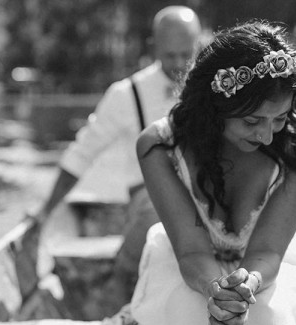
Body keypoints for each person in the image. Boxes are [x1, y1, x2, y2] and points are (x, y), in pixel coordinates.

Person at [116, 20, 296, 325]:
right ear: (215, 107)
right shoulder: (158, 147)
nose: (266, 135)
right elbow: (191, 251)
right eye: (252, 120)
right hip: (184, 261)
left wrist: (246, 286)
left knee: (268, 322)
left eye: (279, 118)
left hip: (272, 263)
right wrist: (215, 291)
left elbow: (269, 250)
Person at [30, 6, 203, 309]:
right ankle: (124, 279)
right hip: (150, 204)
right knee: (154, 211)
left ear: (198, 46)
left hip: (204, 195)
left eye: (186, 55)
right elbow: (81, 155)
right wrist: (45, 213)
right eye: (170, 55)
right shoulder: (126, 95)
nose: (179, 65)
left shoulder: (215, 86)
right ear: (153, 48)